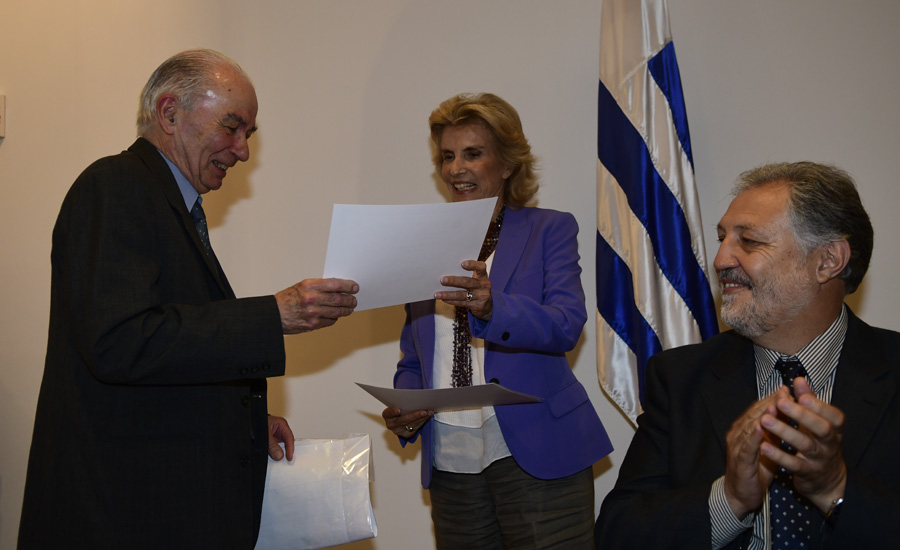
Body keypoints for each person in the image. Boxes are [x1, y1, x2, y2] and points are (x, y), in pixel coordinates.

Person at [17, 49, 358, 549]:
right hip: (122, 515)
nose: (242, 150)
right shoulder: (114, 187)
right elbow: (119, 342)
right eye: (232, 127)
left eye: (249, 135)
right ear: (170, 113)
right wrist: (273, 314)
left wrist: (240, 419)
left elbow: (164, 351)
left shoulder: (164, 200)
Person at [594, 161, 900, 549]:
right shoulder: (680, 378)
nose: (721, 260)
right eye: (722, 238)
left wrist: (836, 490)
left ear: (828, 261)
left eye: (749, 241)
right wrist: (731, 499)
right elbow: (617, 534)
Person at [381, 93, 613, 549]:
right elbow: (416, 358)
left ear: (507, 164)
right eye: (447, 156)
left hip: (539, 452)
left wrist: (493, 308)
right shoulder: (421, 244)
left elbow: (567, 324)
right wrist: (406, 406)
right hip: (451, 463)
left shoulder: (550, 229)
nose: (455, 169)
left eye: (472, 154)